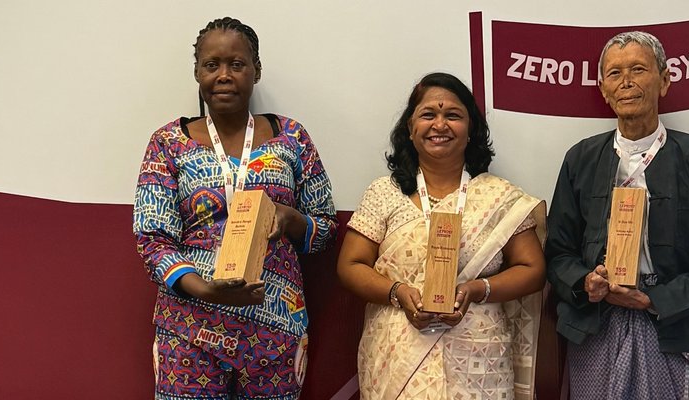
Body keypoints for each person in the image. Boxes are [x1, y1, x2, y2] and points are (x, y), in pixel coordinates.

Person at [133, 17, 337, 400]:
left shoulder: (292, 137)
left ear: (256, 71)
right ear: (197, 72)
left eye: (237, 64)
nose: (224, 75)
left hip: (274, 329)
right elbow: (153, 240)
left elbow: (325, 228)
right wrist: (207, 291)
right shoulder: (167, 143)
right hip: (189, 327)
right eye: (212, 65)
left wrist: (293, 220)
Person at [545, 31, 689, 399]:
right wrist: (584, 282)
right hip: (596, 323)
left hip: (668, 323)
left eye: (638, 69)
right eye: (615, 74)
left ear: (665, 80)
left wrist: (654, 299)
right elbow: (558, 252)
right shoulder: (580, 159)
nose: (627, 82)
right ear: (604, 89)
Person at [337, 72, 547, 400]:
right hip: (397, 356)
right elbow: (351, 264)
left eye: (453, 115)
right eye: (428, 114)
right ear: (410, 128)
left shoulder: (500, 196)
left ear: (471, 128)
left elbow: (532, 269)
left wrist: (478, 289)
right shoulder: (384, 193)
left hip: (479, 360)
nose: (440, 125)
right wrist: (398, 292)